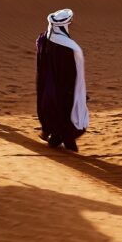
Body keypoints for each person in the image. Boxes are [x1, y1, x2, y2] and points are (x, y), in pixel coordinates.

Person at [36, 8, 88, 150]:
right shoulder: (69, 47)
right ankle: (60, 139)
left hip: (46, 86)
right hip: (63, 88)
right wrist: (77, 90)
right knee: (67, 114)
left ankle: (52, 135)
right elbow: (70, 71)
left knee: (51, 111)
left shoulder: (43, 38)